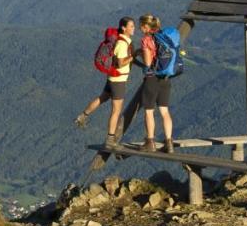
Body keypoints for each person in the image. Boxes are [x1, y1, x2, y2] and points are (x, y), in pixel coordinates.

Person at [74, 16, 135, 147]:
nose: (133, 28)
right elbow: (120, 63)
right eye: (131, 26)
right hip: (118, 80)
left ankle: (83, 116)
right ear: (124, 28)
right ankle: (110, 139)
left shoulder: (121, 41)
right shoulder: (122, 43)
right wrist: (133, 56)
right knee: (116, 111)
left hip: (112, 78)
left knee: (102, 97)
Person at [136, 14, 174, 153]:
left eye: (141, 25)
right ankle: (169, 143)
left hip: (152, 79)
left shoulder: (146, 39)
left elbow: (147, 63)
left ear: (146, 26)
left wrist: (140, 54)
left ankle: (150, 142)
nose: (140, 28)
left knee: (149, 111)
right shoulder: (163, 37)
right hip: (165, 78)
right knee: (164, 111)